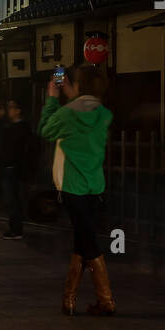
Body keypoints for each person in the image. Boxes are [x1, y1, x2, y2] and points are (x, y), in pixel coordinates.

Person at [39, 64, 115, 315]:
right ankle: (69, 300)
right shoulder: (104, 114)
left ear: (77, 85)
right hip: (96, 185)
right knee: (82, 241)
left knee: (88, 242)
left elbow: (45, 130)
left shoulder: (67, 114)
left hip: (73, 187)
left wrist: (52, 99)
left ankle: (106, 301)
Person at [1, 98, 34, 239]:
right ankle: (14, 227)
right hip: (9, 165)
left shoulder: (22, 128)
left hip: (16, 166)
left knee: (14, 198)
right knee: (11, 199)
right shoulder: (9, 127)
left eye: (12, 107)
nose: (9, 110)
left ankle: (16, 229)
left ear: (18, 110)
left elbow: (26, 149)